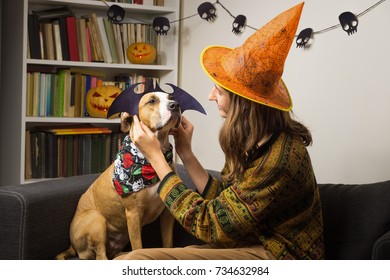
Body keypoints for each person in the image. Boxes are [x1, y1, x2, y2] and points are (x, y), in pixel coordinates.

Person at [115, 2, 324, 260]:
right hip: (250, 241)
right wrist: (186, 153)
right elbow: (226, 202)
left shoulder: (281, 158)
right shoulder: (253, 141)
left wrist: (157, 157)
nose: (211, 95)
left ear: (243, 104)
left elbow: (210, 225)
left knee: (136, 261)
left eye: (220, 91)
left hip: (281, 255)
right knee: (123, 261)